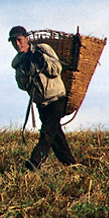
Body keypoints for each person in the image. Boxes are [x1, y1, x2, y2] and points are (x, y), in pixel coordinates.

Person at [9, 26, 76, 171]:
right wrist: (26, 69)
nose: (17, 44)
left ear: (26, 39)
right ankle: (72, 165)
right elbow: (22, 85)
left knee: (47, 133)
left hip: (57, 98)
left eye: (19, 40)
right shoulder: (17, 62)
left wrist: (41, 61)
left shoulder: (43, 49)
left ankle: (35, 162)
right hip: (41, 102)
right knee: (55, 135)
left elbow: (56, 69)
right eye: (14, 42)